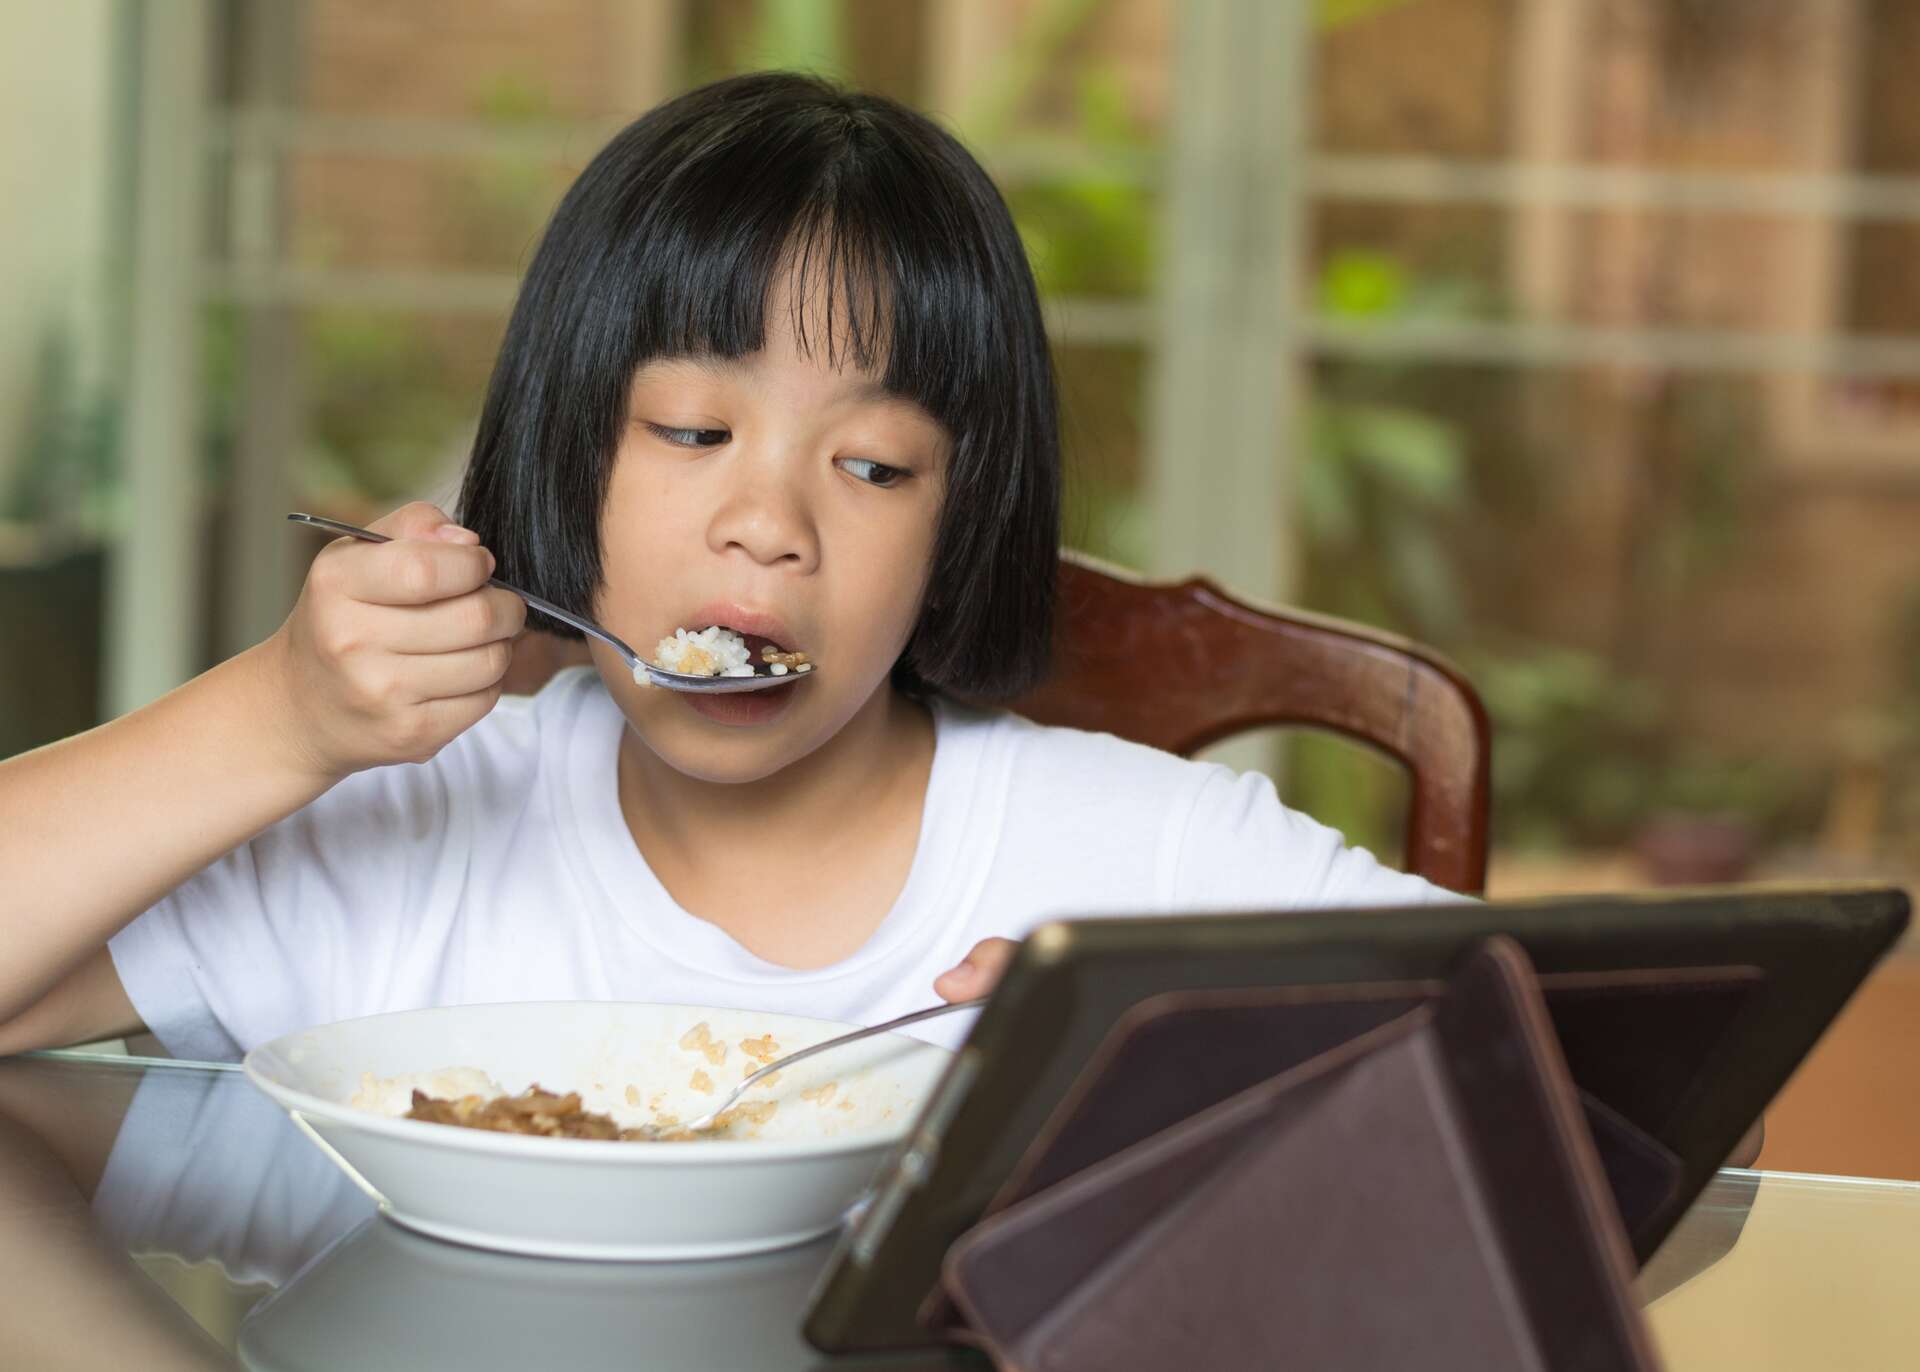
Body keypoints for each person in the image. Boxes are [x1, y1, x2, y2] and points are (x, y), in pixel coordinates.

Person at [0, 72, 1451, 1063]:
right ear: (567, 454)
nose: (772, 523)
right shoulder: (407, 841)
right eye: (693, 428)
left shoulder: (1149, 874)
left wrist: (1218, 1067)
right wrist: (279, 718)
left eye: (874, 466)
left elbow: (1602, 1061)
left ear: (958, 533)